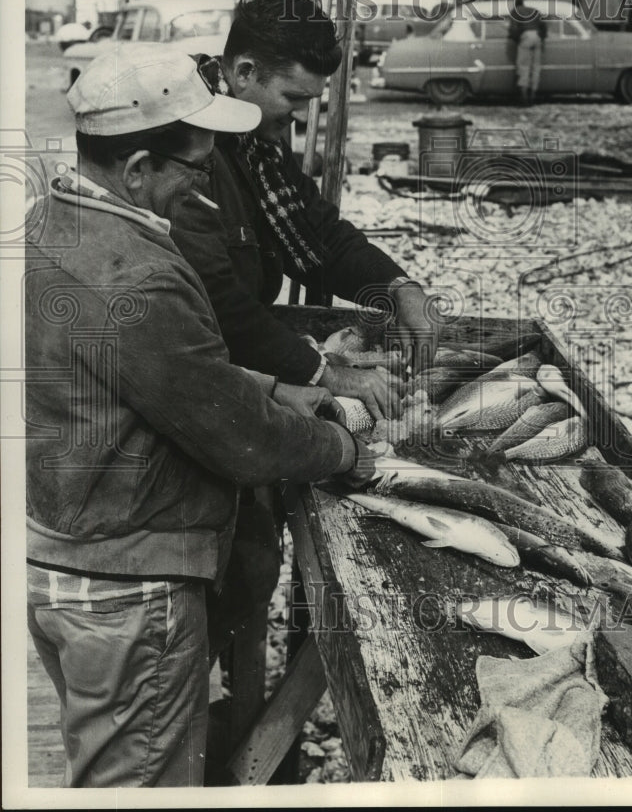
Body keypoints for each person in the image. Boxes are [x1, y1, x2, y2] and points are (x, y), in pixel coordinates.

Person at [25, 43, 373, 788]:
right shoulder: (138, 273)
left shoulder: (47, 221)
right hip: (131, 595)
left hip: (67, 571)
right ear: (139, 168)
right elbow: (241, 443)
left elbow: (158, 375)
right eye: (195, 168)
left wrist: (274, 390)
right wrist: (340, 448)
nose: (206, 184)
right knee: (139, 792)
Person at [171, 0, 440, 425]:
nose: (298, 114)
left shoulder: (259, 145)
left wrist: (399, 288)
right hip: (198, 381)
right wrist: (323, 371)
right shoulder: (189, 150)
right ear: (244, 72)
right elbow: (215, 298)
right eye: (293, 98)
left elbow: (321, 233)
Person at [508, 0, 548, 106]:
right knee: (535, 67)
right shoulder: (534, 10)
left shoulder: (516, 11)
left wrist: (515, 39)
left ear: (516, 3)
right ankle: (533, 96)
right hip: (537, 37)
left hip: (526, 37)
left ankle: (524, 98)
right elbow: (544, 26)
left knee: (524, 67)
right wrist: (542, 38)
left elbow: (513, 29)